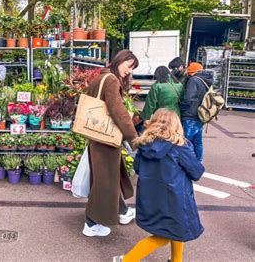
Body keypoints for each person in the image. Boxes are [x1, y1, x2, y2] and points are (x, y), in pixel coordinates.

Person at [114, 109, 204, 262]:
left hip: (150, 198)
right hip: (175, 200)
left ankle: (176, 260)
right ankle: (127, 260)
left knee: (175, 230)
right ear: (176, 125)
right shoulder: (180, 147)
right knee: (167, 234)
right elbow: (196, 172)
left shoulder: (144, 146)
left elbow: (137, 168)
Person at [83, 50, 139, 237]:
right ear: (120, 60)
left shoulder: (100, 78)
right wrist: (134, 137)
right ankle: (91, 223)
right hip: (106, 139)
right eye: (128, 65)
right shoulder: (112, 81)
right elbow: (118, 111)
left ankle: (122, 211)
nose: (129, 71)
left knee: (108, 177)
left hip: (97, 135)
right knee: (104, 180)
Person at [180, 62, 213, 162]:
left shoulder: (193, 80)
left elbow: (188, 98)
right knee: (198, 141)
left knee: (187, 140)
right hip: (201, 114)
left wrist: (181, 107)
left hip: (190, 115)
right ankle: (199, 161)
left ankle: (188, 162)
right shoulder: (206, 80)